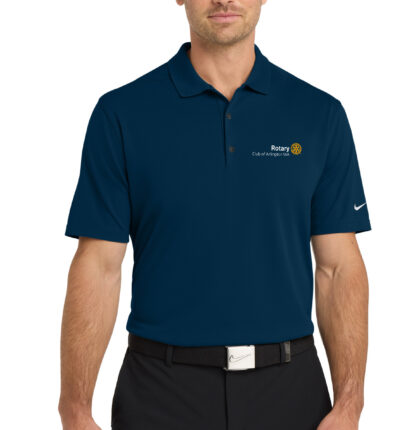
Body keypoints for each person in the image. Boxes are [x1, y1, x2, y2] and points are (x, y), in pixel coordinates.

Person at [58, 1, 371, 429]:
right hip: (159, 393)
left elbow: (338, 268)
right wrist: (74, 409)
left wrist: (350, 403)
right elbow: (98, 266)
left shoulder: (319, 115)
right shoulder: (121, 114)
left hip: (290, 391)